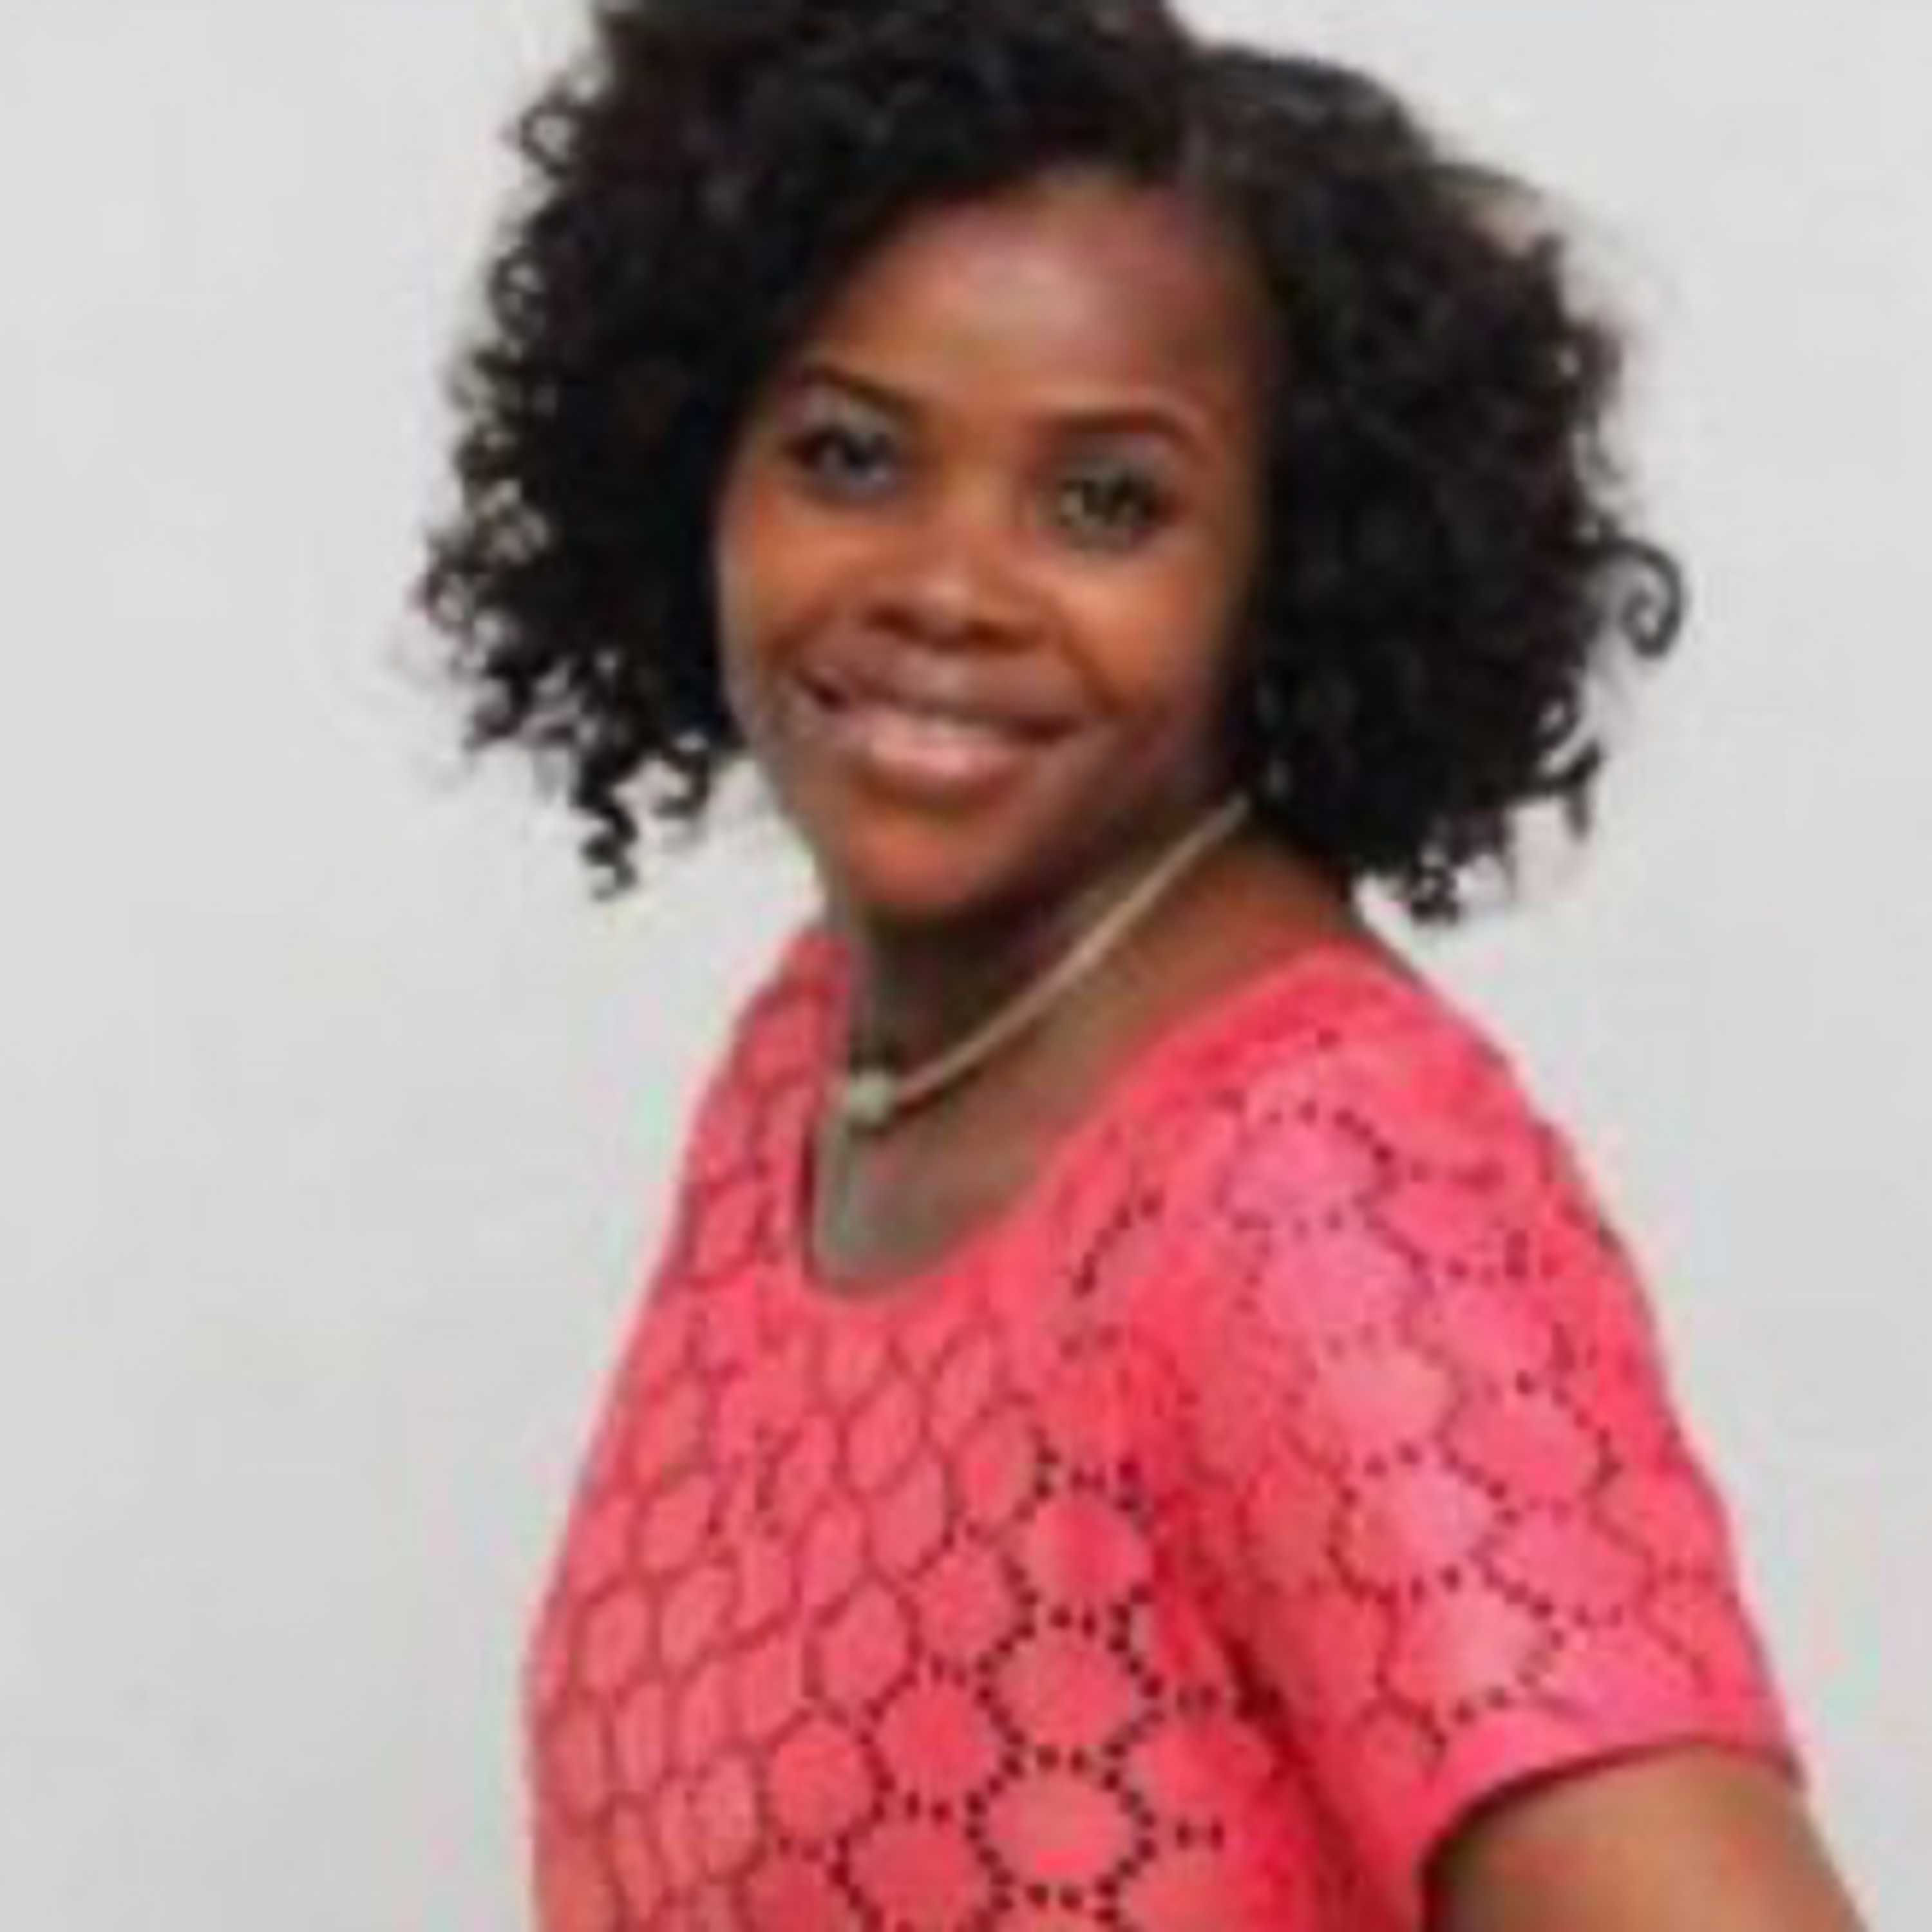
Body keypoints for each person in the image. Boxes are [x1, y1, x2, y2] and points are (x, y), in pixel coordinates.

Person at [415, 0, 1863, 1924]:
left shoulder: (1322, 1191)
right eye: (849, 455)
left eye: (1106, 501)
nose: (946, 585)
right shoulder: (818, 1060)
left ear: (1287, 568)